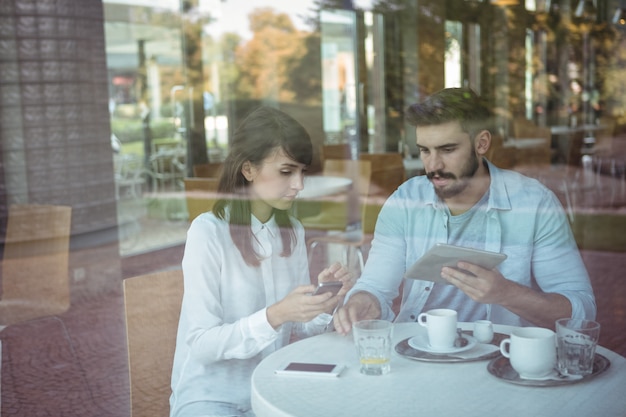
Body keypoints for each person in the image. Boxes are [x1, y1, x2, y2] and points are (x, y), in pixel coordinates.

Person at [333, 87, 596, 335]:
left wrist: (506, 293)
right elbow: (375, 287)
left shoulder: (533, 204)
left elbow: (581, 313)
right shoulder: (405, 201)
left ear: (481, 143)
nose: (433, 165)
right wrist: (363, 300)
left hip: (500, 359)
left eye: (448, 150)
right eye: (425, 150)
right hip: (418, 353)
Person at [170, 106, 353, 417]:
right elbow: (201, 343)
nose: (299, 185)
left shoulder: (291, 231)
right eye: (286, 172)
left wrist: (324, 301)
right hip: (210, 398)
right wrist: (274, 315)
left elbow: (299, 324)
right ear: (248, 169)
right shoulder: (208, 232)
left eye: (302, 171)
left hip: (271, 389)